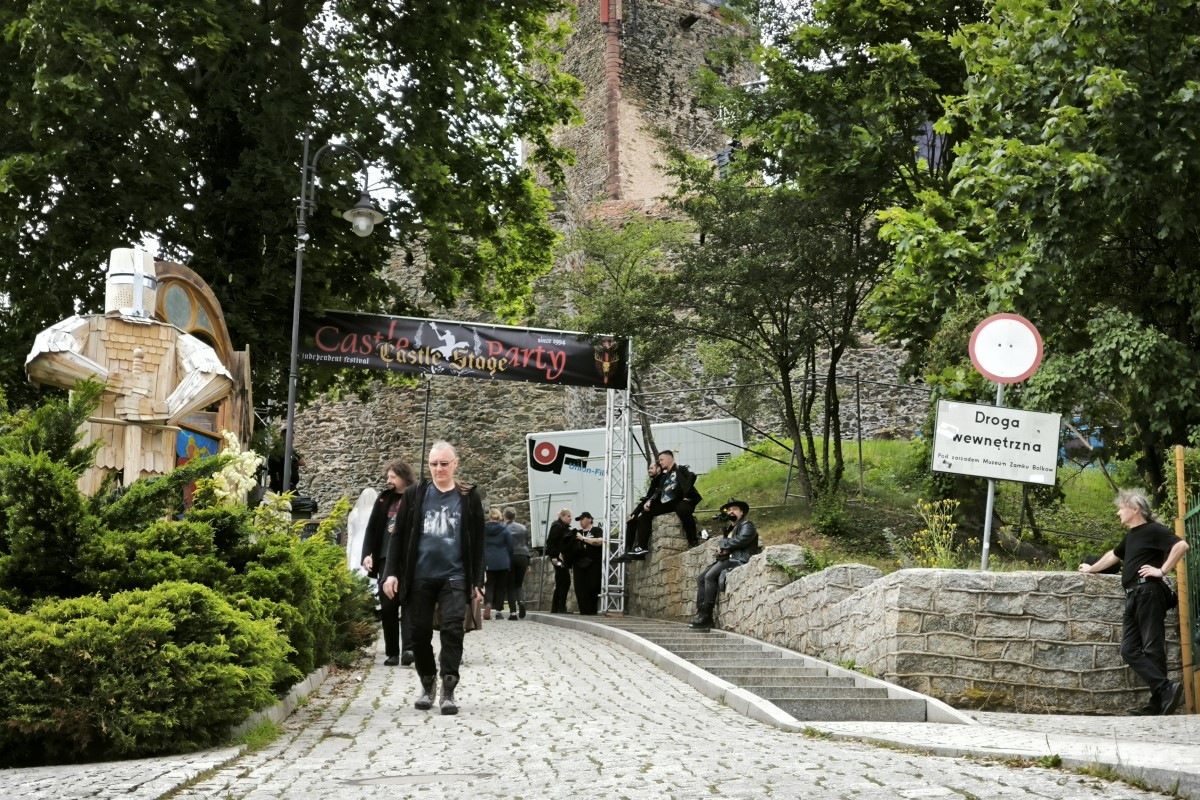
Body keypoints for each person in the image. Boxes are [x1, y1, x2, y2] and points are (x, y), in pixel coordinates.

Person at [383, 441, 485, 715]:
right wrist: (391, 573)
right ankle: (427, 682)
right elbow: (399, 537)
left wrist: (478, 580)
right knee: (418, 634)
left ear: (455, 464)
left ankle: (448, 689)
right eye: (433, 464)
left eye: (444, 463)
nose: (438, 469)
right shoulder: (416, 494)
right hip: (419, 577)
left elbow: (477, 541)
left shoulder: (468, 496)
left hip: (454, 576)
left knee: (453, 630)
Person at [1079, 489, 1189, 716]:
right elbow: (1112, 556)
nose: (1118, 512)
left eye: (1121, 508)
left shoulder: (1153, 530)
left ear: (1135, 509)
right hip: (1133, 595)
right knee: (1129, 650)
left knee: (1152, 648)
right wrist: (1091, 568)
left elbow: (1181, 546)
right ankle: (1165, 691)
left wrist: (1162, 570)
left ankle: (1159, 703)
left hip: (1147, 592)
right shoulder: (1130, 537)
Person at [361, 458, 416, 666]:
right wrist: (367, 553)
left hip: (410, 559)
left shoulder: (416, 497)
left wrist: (404, 528)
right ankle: (392, 652)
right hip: (385, 558)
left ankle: (409, 649)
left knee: (409, 604)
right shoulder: (384, 499)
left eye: (392, 477)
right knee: (388, 607)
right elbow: (372, 527)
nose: (389, 480)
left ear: (403, 477)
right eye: (388, 476)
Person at [690, 499, 759, 630]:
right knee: (700, 578)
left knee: (709, 576)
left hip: (740, 560)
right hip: (728, 559)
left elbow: (742, 539)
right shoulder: (730, 529)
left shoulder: (747, 524)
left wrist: (722, 545)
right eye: (729, 510)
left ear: (742, 512)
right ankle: (700, 612)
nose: (731, 512)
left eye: (734, 509)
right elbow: (729, 545)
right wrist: (721, 551)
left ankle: (706, 616)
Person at [623, 450, 702, 560]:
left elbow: (691, 476)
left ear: (670, 459)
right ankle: (642, 546)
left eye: (661, 460)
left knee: (682, 509)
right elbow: (659, 492)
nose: (660, 462)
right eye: (659, 460)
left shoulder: (681, 468)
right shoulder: (664, 477)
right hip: (669, 503)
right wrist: (650, 502)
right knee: (646, 513)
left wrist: (686, 493)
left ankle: (693, 540)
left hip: (683, 500)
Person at [483, 507, 514, 620]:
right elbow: (510, 545)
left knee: (489, 585)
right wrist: (509, 559)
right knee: (501, 587)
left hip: (489, 561)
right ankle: (499, 611)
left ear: (489, 516)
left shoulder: (484, 529)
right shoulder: (505, 529)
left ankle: (488, 603)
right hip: (503, 561)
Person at [571, 512, 605, 615]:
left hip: (594, 563)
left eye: (582, 519)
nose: (580, 521)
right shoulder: (577, 532)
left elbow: (600, 541)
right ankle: (583, 611)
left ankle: (592, 610)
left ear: (589, 519)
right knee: (580, 588)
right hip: (578, 564)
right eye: (579, 520)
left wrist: (583, 539)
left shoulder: (596, 530)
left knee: (593, 586)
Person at [503, 507, 531, 619]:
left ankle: (513, 613)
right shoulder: (523, 528)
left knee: (510, 585)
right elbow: (526, 544)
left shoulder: (504, 528)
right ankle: (521, 601)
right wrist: (528, 563)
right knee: (518, 584)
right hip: (523, 556)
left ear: (505, 516)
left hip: (509, 557)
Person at [545, 508, 574, 613]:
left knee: (561, 580)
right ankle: (560, 607)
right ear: (562, 516)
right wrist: (554, 556)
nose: (571, 518)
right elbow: (551, 542)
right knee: (564, 579)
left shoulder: (562, 527)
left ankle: (556, 607)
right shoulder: (557, 527)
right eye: (568, 516)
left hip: (558, 558)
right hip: (557, 559)